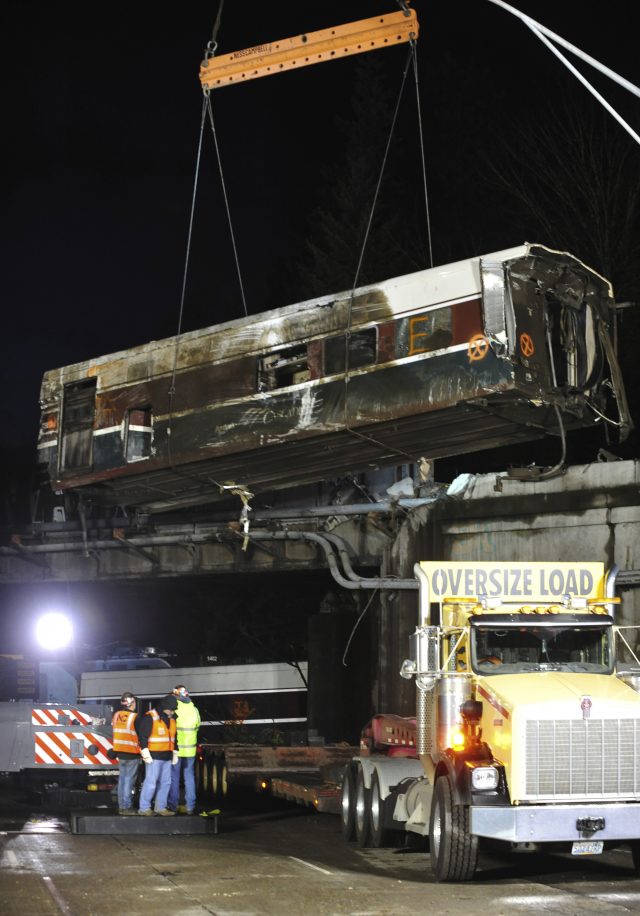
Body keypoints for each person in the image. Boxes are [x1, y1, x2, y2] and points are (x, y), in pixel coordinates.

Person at [136, 694, 178, 816]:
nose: (172, 711)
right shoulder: (151, 717)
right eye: (171, 709)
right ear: (164, 707)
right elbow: (143, 736)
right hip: (154, 756)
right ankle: (144, 808)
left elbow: (175, 737)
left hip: (167, 756)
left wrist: (175, 751)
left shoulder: (172, 719)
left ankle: (160, 807)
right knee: (151, 782)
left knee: (166, 783)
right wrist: (144, 751)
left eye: (174, 709)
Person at [168, 684, 201, 815]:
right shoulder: (194, 709)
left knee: (174, 778)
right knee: (189, 777)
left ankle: (173, 805)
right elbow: (198, 725)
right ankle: (190, 807)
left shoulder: (174, 708)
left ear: (176, 694)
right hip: (190, 750)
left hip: (177, 750)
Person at [111, 691, 141, 815]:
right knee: (129, 781)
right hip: (132, 752)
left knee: (122, 780)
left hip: (120, 752)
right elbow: (140, 735)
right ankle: (127, 807)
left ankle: (121, 806)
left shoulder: (116, 715)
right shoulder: (135, 717)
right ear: (131, 703)